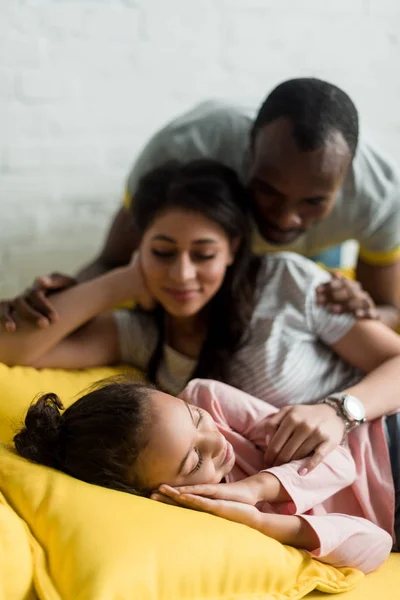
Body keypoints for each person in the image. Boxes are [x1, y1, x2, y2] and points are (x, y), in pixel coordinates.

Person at [1, 160, 400, 476]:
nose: (182, 274)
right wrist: (121, 281)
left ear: (233, 249)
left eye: (203, 255)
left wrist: (339, 410)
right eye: (163, 252)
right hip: (349, 496)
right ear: (140, 247)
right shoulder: (141, 335)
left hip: (387, 442)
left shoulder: (286, 282)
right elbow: (13, 348)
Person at [2, 78, 400, 330]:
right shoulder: (184, 148)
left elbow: (390, 311)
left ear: (345, 179)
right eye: (268, 191)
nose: (284, 217)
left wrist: (363, 311)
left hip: (320, 261)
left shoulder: (380, 194)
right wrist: (53, 303)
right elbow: (112, 262)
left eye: (313, 201)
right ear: (247, 149)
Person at [13, 377, 394, 574]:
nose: (216, 440)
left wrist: (256, 486)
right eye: (195, 460)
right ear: (161, 495)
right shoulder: (213, 522)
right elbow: (378, 542)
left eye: (194, 420)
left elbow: (340, 461)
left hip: (385, 446)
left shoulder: (208, 400)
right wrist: (263, 523)